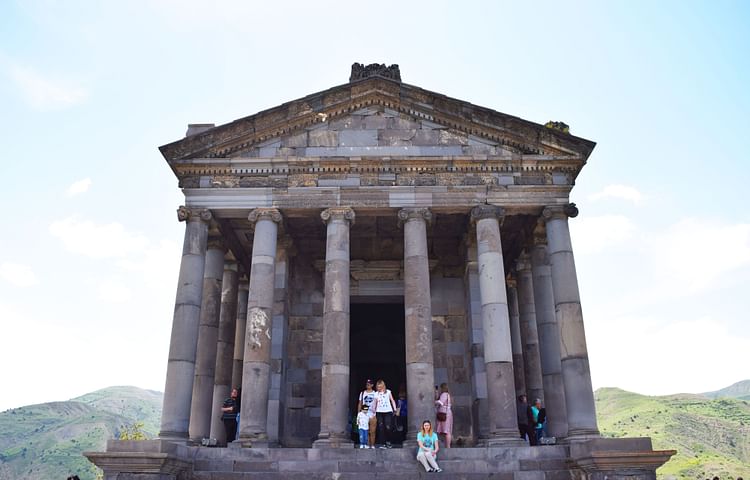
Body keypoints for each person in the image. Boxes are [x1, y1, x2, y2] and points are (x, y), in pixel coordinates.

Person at [372, 379, 397, 448]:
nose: (379, 388)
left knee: (388, 426)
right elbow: (375, 402)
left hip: (388, 411)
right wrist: (373, 410)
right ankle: (382, 443)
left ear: (383, 386)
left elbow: (392, 400)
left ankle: (388, 441)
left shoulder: (388, 392)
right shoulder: (376, 394)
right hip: (379, 412)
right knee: (380, 427)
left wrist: (395, 409)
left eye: (380, 387)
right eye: (378, 387)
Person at [357, 379, 377, 448]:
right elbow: (360, 403)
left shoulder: (375, 393)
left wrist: (376, 412)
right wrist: (359, 413)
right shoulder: (362, 393)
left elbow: (377, 403)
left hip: (372, 412)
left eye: (369, 383)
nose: (367, 384)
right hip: (364, 412)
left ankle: (372, 444)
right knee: (365, 429)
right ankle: (367, 444)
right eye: (367, 383)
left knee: (372, 430)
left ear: (372, 385)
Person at [435, 383, 453, 448]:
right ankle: (447, 445)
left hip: (444, 414)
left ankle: (448, 446)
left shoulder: (444, 394)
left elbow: (441, 402)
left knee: (446, 431)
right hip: (446, 413)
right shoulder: (447, 394)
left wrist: (434, 401)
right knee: (446, 430)